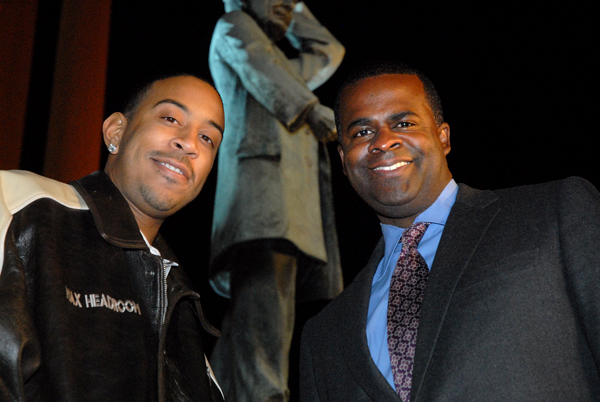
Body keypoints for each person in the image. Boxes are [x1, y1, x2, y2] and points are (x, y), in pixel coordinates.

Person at [300, 62, 600, 401]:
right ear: (343, 159)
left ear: (443, 137)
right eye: (362, 132)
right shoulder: (323, 336)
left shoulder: (554, 215)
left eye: (403, 123)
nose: (383, 142)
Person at [0, 74, 226, 401]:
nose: (189, 144)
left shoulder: (185, 317)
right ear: (116, 131)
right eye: (170, 118)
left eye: (207, 138)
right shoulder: (16, 205)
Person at [208, 0, 344, 400]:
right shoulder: (233, 23)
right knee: (264, 323)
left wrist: (293, 8)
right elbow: (260, 64)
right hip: (260, 201)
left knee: (252, 322)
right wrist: (312, 110)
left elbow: (328, 50)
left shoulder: (285, 70)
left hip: (288, 208)